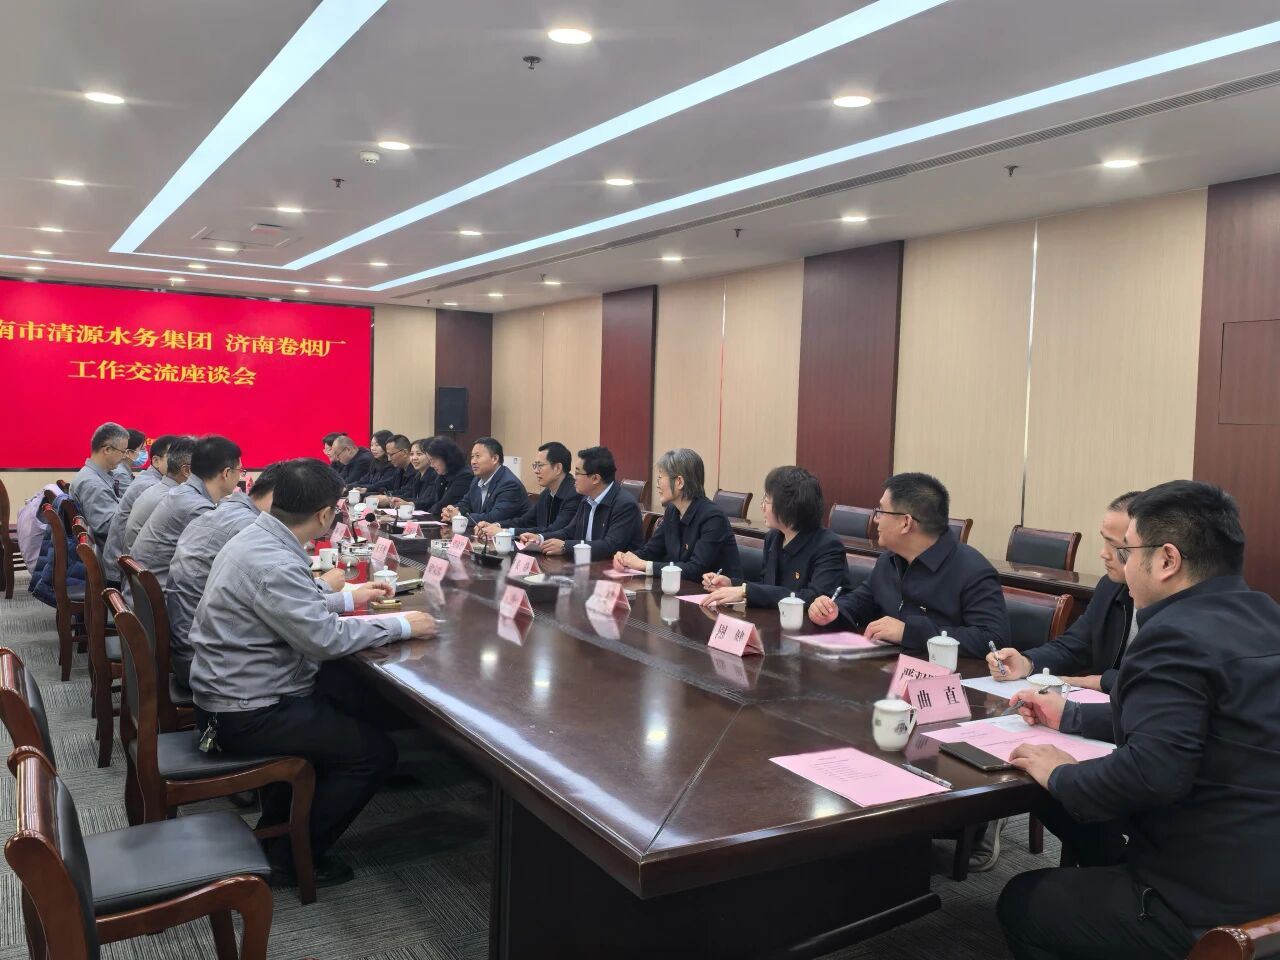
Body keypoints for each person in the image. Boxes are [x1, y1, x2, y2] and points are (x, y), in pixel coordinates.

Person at [997, 480, 1280, 960]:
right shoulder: (1265, 616)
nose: (1120, 565)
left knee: (1023, 900)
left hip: (1204, 902)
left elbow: (1151, 775)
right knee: (1086, 826)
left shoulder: (1173, 636)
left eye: (1126, 551)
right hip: (1262, 870)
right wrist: (1071, 716)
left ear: (1167, 560)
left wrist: (1061, 772)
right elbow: (1191, 723)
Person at [188, 458, 435, 888]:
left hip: (239, 690)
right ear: (324, 515)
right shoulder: (274, 560)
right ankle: (291, 857)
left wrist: (349, 598)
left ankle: (279, 830)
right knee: (373, 754)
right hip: (246, 711)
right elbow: (323, 639)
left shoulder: (259, 537)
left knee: (348, 695)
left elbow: (289, 602)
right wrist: (402, 624)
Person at [808, 472, 1009, 656]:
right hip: (886, 669)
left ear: (906, 523)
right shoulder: (890, 559)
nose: (876, 519)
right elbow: (861, 601)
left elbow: (993, 640)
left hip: (942, 677)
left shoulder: (972, 570)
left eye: (882, 511)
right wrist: (833, 612)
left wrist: (909, 633)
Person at [986, 491, 1142, 692]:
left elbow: (1154, 679)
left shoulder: (1174, 607)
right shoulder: (1110, 587)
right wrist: (1026, 663)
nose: (1104, 553)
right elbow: (1074, 646)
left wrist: (1099, 681)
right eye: (1105, 540)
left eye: (1115, 545)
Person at [166, 464, 280, 686]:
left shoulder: (225, 510)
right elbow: (279, 602)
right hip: (205, 662)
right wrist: (337, 596)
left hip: (187, 642)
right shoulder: (249, 526)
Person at [702, 466, 846, 608]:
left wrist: (746, 592)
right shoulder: (773, 537)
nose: (762, 507)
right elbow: (768, 587)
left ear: (788, 507)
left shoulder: (827, 546)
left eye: (767, 501)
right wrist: (732, 584)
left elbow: (813, 598)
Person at [130, 435, 243, 592]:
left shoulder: (182, 493)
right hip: (162, 594)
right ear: (227, 473)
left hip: (148, 588)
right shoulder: (197, 508)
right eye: (240, 470)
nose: (240, 475)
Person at [614, 447, 742, 582]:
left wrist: (644, 565)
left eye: (660, 478)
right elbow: (652, 550)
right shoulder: (672, 510)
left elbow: (696, 569)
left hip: (715, 592)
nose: (657, 485)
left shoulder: (713, 517)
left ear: (679, 482)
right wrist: (626, 558)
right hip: (682, 588)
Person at [519, 446, 642, 558]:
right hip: (587, 563)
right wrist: (540, 538)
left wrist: (566, 547)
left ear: (595, 478)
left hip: (615, 570)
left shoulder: (625, 505)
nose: (574, 478)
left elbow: (610, 546)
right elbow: (569, 531)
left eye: (578, 473)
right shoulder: (587, 499)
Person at [103, 434, 178, 585]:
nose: (180, 463)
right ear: (156, 461)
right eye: (174, 458)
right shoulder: (153, 486)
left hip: (126, 563)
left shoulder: (150, 479)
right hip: (122, 571)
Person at [476, 441, 581, 540]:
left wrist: (505, 532)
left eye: (540, 465)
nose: (536, 471)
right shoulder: (546, 493)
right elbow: (525, 521)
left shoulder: (574, 494)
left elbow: (554, 531)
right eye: (535, 466)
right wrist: (496, 525)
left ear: (558, 468)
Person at [122, 436, 196, 555]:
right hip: (126, 560)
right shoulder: (157, 489)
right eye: (172, 455)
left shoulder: (160, 485)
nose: (174, 460)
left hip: (131, 559)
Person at [441, 437, 527, 529]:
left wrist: (458, 517)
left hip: (511, 536)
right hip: (481, 533)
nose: (473, 462)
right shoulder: (477, 480)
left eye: (478, 456)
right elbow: (466, 503)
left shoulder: (509, 484)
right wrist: (451, 511)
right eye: (472, 457)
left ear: (494, 459)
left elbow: (494, 518)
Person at [69, 422, 131, 550]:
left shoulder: (93, 476)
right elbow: (109, 528)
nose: (125, 456)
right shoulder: (93, 484)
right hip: (110, 553)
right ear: (107, 450)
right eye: (123, 451)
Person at [419, 437, 471, 514]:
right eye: (430, 461)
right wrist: (410, 504)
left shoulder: (464, 476)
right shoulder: (443, 474)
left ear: (446, 456)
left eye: (433, 460)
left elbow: (443, 505)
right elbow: (431, 501)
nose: (431, 465)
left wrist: (426, 515)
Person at [363, 434, 415, 502]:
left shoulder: (416, 471)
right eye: (387, 454)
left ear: (404, 452)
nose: (389, 459)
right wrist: (366, 489)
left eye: (391, 455)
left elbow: (406, 494)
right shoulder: (399, 470)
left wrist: (385, 498)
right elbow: (387, 484)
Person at [112, 428, 149, 494]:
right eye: (142, 449)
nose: (145, 452)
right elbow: (129, 499)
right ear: (128, 452)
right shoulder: (120, 474)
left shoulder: (124, 470)